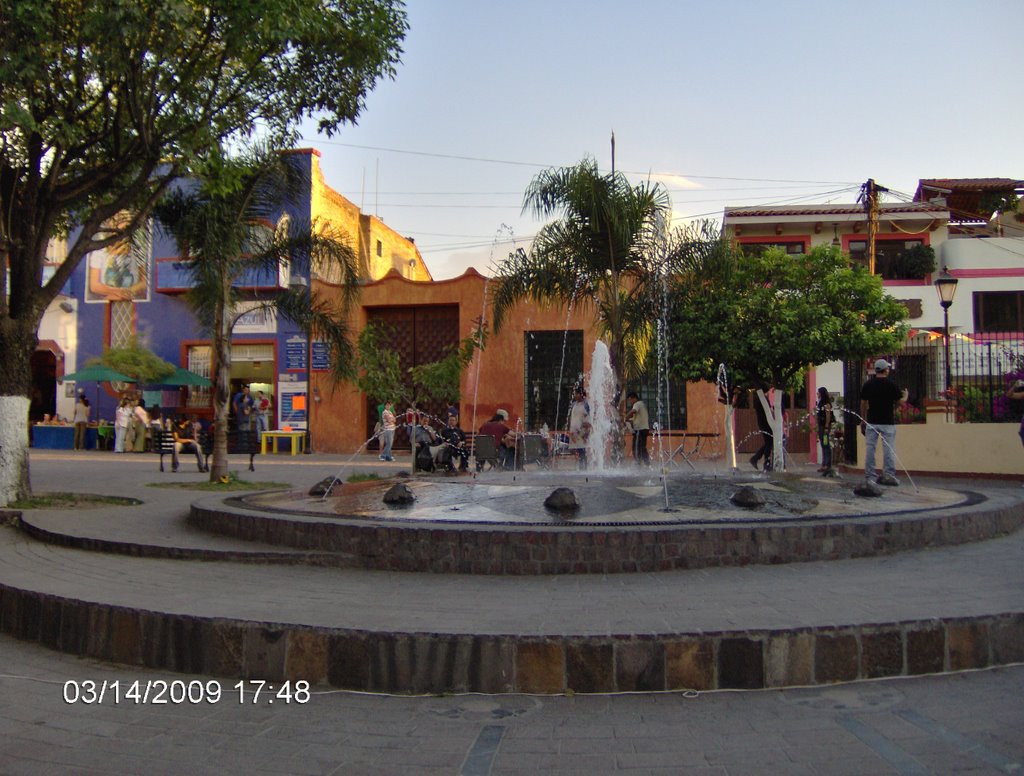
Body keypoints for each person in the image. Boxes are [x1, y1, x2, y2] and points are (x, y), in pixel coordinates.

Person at [860, 358, 908, 487]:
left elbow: (864, 403)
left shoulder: (868, 385)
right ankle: (889, 475)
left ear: (876, 370)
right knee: (889, 449)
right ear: (886, 370)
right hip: (887, 422)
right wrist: (906, 396)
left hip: (872, 421)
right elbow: (900, 402)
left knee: (870, 449)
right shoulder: (891, 385)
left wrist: (863, 419)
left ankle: (870, 476)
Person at [749, 390, 773, 472]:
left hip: (762, 423)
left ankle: (756, 459)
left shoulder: (758, 399)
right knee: (769, 442)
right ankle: (765, 463)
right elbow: (769, 411)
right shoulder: (763, 399)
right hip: (766, 423)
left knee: (768, 442)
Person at [567, 387, 591, 469]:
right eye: (574, 394)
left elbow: (588, 417)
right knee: (576, 450)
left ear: (581, 394)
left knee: (582, 450)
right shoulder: (574, 404)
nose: (575, 395)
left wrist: (586, 429)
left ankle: (584, 467)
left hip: (582, 431)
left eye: (576, 394)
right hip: (574, 431)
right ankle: (581, 466)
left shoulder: (586, 404)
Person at [624, 391, 650, 465]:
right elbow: (636, 419)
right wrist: (629, 421)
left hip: (640, 430)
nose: (630, 402)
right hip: (644, 429)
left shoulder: (637, 404)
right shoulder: (642, 404)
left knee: (636, 447)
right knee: (642, 447)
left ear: (634, 398)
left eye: (630, 400)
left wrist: (625, 418)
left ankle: (639, 463)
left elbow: (633, 411)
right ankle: (646, 463)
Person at [815, 387, 834, 474]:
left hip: (825, 427)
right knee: (823, 444)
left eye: (818, 393)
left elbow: (828, 415)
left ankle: (827, 464)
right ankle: (824, 464)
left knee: (826, 444)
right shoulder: (820, 402)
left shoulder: (826, 403)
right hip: (821, 426)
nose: (817, 394)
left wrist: (826, 426)